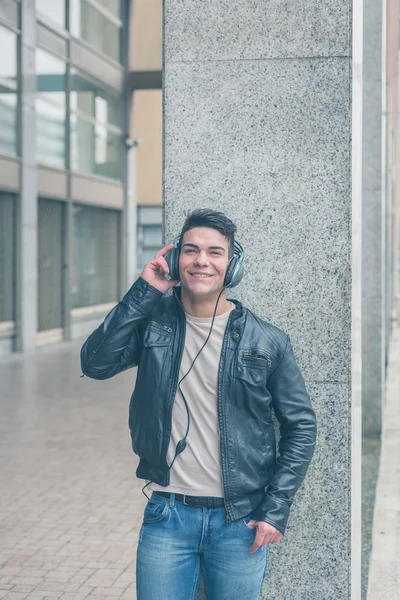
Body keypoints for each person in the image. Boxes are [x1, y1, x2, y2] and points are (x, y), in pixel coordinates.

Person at [80, 208, 317, 600]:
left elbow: (301, 426)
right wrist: (145, 290)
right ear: (176, 260)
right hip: (167, 516)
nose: (201, 261)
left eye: (215, 252)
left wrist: (275, 509)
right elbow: (95, 363)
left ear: (232, 265)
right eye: (190, 251)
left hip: (240, 521)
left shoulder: (267, 341)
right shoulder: (154, 323)